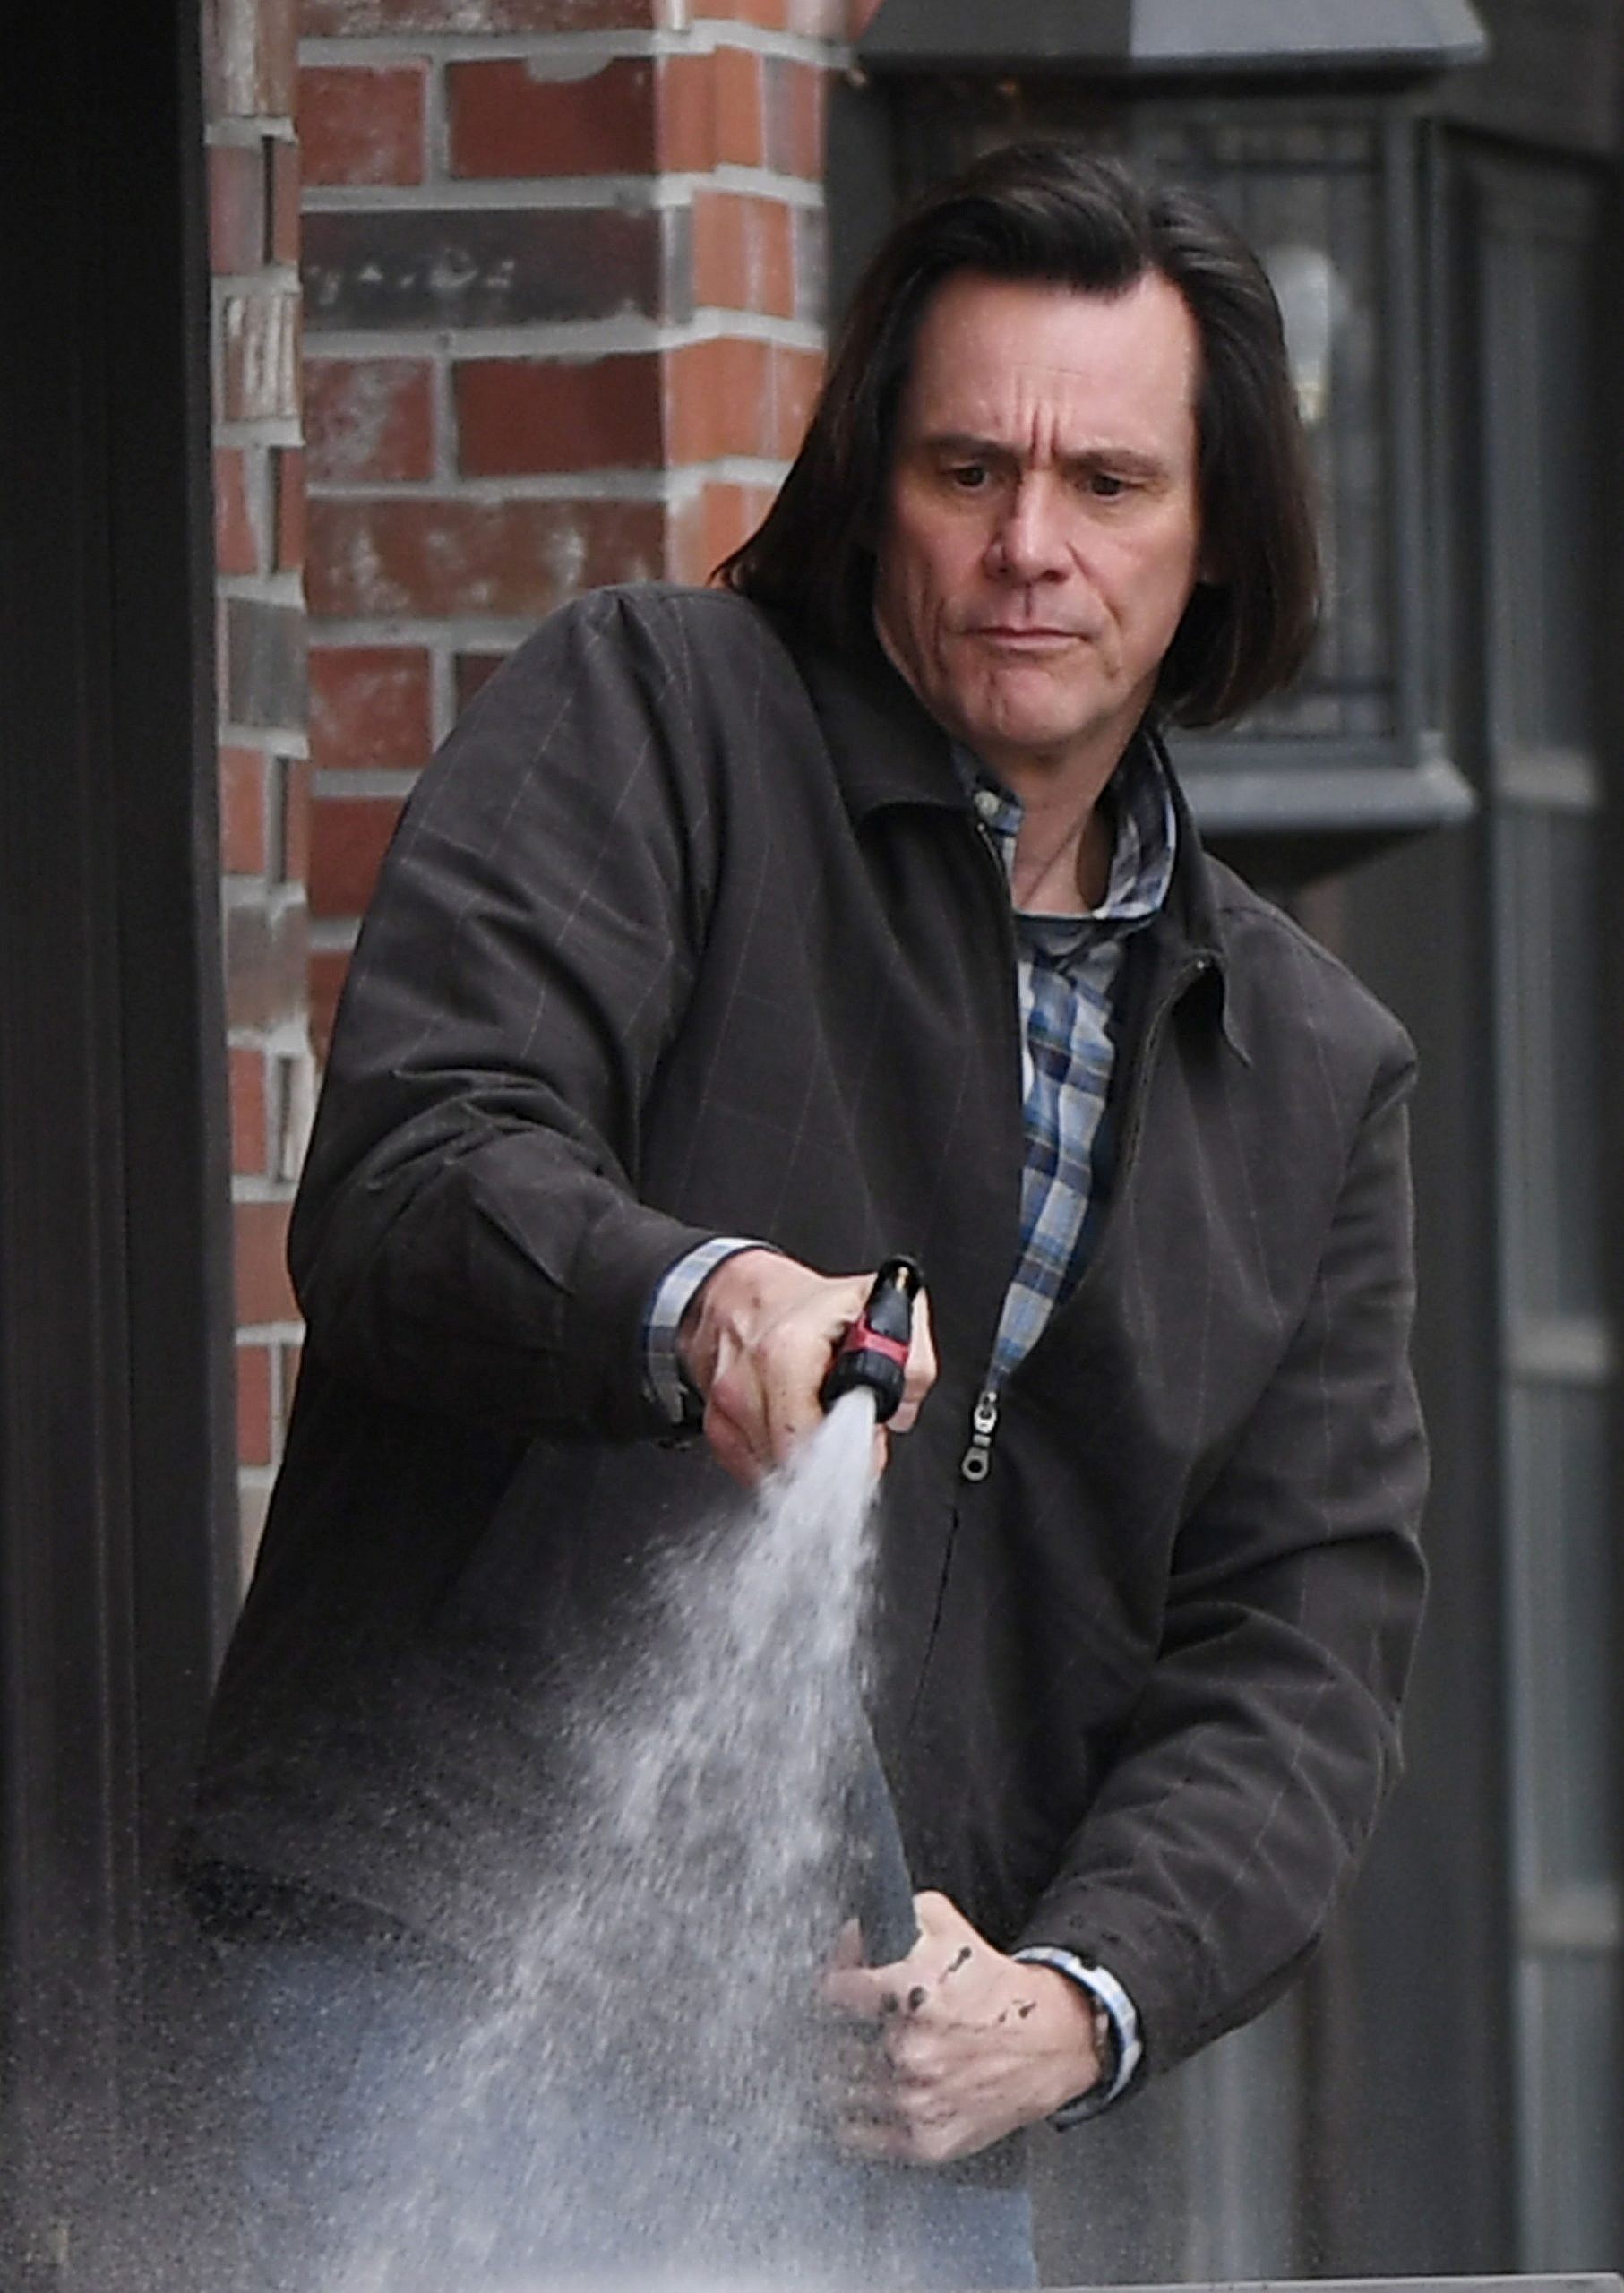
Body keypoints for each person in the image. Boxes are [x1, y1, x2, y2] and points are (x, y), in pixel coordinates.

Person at [181, 142, 1427, 2290]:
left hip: (901, 2122)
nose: (1029, 545)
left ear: (1214, 534)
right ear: (874, 486)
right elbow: (415, 1161)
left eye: (1108, 484)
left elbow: (1295, 1651)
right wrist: (697, 1304)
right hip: (435, 1992)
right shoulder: (658, 716)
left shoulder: (1309, 1067)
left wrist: (1076, 1998)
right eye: (968, 470)